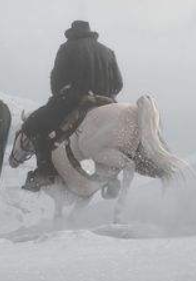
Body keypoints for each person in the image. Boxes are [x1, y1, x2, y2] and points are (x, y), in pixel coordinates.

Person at [20, 20, 123, 192]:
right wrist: (105, 94)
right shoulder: (108, 51)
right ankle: (111, 178)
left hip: (77, 99)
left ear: (72, 33)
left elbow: (57, 81)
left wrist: (62, 93)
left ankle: (44, 172)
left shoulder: (67, 48)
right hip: (107, 102)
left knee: (35, 124)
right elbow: (119, 83)